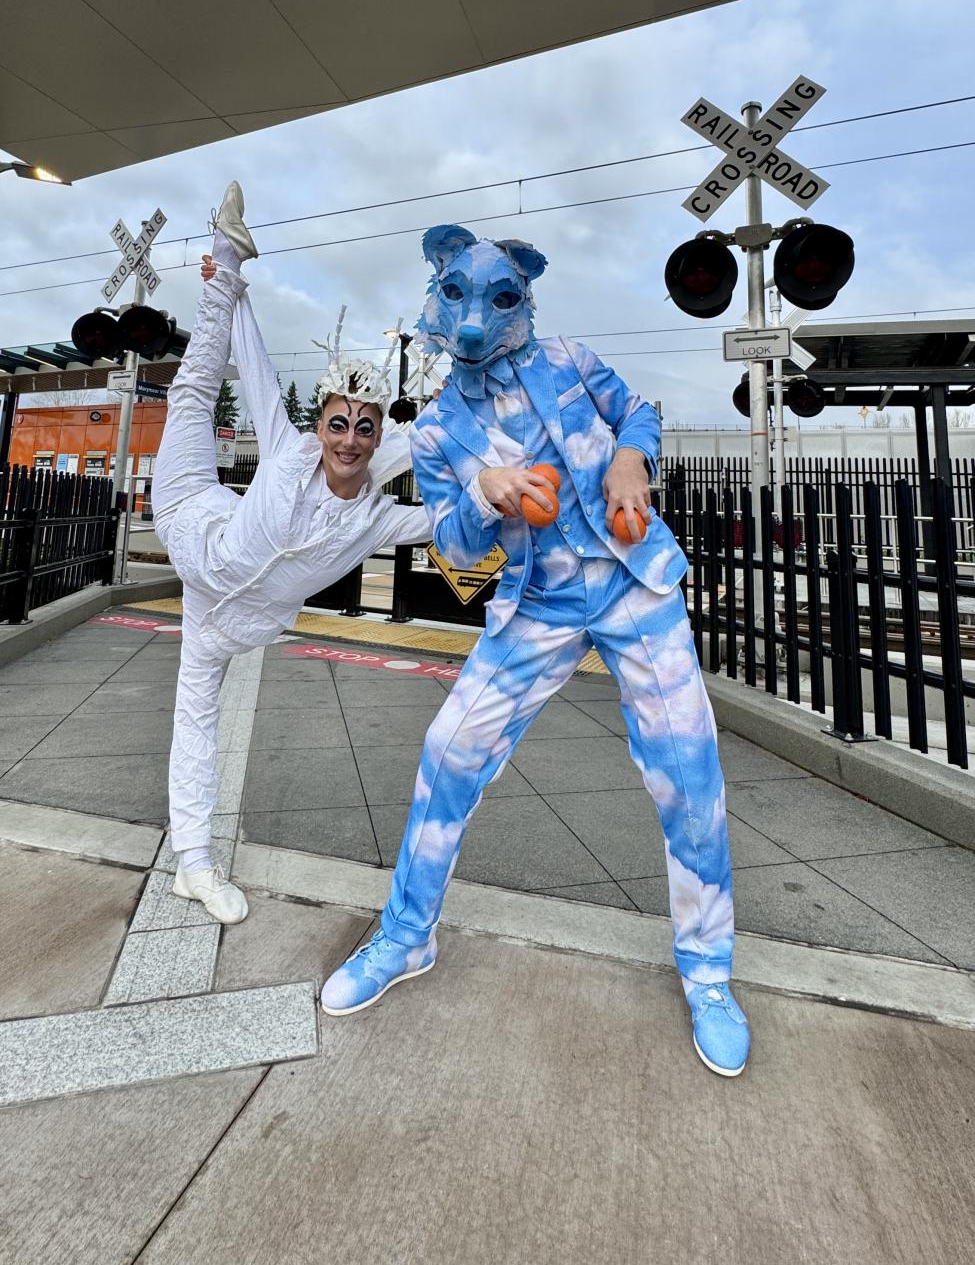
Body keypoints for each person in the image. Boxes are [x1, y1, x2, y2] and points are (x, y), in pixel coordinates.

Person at [322, 223, 748, 1077]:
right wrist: (485, 492)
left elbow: (635, 410)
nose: (476, 316)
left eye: (499, 297)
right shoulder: (438, 430)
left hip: (636, 585)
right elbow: (451, 546)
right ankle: (407, 934)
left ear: (524, 296)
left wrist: (632, 458)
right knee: (449, 749)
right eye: (457, 295)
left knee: (687, 767)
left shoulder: (568, 358)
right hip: (538, 604)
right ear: (436, 289)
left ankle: (708, 972)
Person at [152, 183, 432, 925]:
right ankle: (224, 247)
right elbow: (254, 360)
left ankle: (194, 867)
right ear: (322, 422)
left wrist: (518, 498)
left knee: (195, 722)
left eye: (363, 429)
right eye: (338, 421)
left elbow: (445, 515)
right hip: (189, 512)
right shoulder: (286, 447)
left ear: (376, 439)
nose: (346, 438)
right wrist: (230, 287)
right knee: (193, 392)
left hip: (222, 626)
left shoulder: (374, 519)